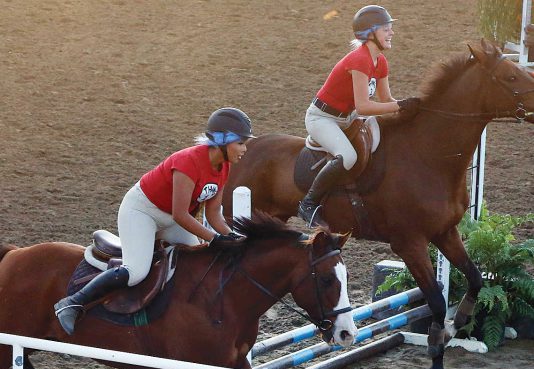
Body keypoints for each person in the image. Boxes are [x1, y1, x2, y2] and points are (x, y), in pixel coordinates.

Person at [54, 107, 255, 335]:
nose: (244, 149)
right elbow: (181, 214)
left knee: (198, 264)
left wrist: (233, 237)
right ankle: (72, 303)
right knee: (136, 271)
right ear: (222, 140)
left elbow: (213, 214)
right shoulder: (188, 161)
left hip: (172, 219)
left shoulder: (224, 167)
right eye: (240, 143)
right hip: (142, 212)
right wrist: (216, 239)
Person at [298, 5, 420, 227]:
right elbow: (364, 107)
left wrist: (410, 108)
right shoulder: (359, 59)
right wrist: (400, 106)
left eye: (390, 28)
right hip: (322, 118)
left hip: (349, 116)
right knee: (347, 156)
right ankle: (308, 203)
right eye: (385, 29)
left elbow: (386, 101)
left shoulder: (380, 61)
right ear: (369, 34)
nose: (391, 32)